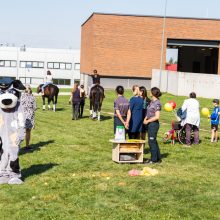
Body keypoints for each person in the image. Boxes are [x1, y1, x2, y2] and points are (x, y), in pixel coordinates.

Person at [143, 87, 162, 164]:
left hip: (154, 124)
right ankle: (158, 158)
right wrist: (145, 119)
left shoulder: (157, 103)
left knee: (151, 142)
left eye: (150, 91)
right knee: (153, 141)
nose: (149, 92)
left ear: (153, 93)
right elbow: (149, 112)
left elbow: (157, 116)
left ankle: (153, 160)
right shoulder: (151, 102)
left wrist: (148, 121)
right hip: (149, 123)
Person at [20, 85, 37, 150]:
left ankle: (16, 145)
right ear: (30, 89)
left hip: (22, 114)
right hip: (30, 115)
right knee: (28, 131)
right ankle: (27, 146)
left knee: (20, 131)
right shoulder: (33, 97)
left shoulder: (21, 96)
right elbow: (35, 107)